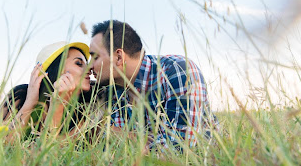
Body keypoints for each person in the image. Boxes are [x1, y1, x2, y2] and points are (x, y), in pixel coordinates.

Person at [89, 19, 214, 150]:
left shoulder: (178, 71)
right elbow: (106, 145)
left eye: (95, 57)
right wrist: (131, 136)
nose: (89, 66)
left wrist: (118, 133)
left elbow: (180, 149)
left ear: (119, 57)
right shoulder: (111, 91)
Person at [0, 41, 104, 140]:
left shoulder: (91, 103)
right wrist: (30, 102)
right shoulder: (20, 94)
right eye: (79, 63)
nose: (90, 68)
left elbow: (46, 151)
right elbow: (1, 143)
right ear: (58, 69)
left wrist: (58, 104)